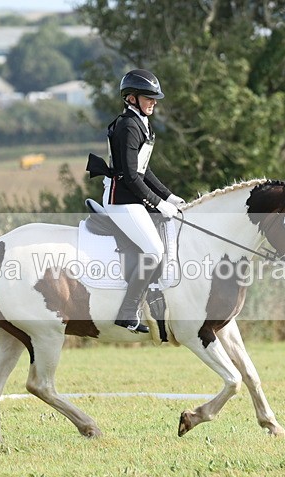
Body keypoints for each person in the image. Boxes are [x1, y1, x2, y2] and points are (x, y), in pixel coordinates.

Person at [102, 69, 187, 333]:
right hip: (121, 200)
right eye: (148, 98)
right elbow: (129, 176)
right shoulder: (128, 126)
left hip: (133, 199)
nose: (154, 102)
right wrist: (159, 204)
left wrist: (169, 196)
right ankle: (128, 312)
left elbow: (144, 170)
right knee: (153, 250)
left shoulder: (142, 123)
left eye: (154, 98)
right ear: (130, 98)